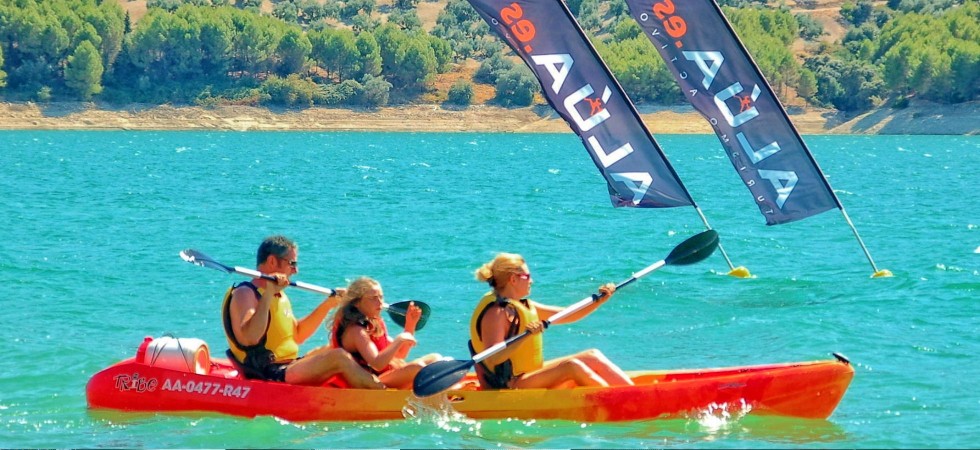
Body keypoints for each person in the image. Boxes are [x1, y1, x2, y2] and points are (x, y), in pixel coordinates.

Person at [221, 235, 384, 389]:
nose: (295, 270)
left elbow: (298, 335)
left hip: (289, 365)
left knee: (331, 350)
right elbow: (250, 337)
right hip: (268, 372)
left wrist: (328, 304)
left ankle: (381, 382)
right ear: (272, 261)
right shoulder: (245, 293)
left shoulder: (280, 295)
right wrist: (269, 293)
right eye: (291, 263)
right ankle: (381, 392)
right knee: (338, 357)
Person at [469, 252, 635, 390]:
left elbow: (568, 314)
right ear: (513, 279)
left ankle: (634, 394)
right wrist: (526, 336)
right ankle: (615, 400)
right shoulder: (496, 312)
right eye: (527, 276)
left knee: (593, 356)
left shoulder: (522, 305)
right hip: (511, 384)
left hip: (529, 375)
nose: (531, 281)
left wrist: (600, 301)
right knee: (572, 366)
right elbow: (492, 357)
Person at [329, 277, 442, 389]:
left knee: (436, 359)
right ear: (357, 303)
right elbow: (377, 364)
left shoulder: (374, 323)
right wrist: (400, 339)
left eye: (381, 297)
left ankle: (442, 393)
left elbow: (399, 355)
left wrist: (410, 325)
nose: (380, 303)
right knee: (417, 368)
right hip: (369, 383)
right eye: (373, 298)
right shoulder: (356, 331)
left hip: (383, 377)